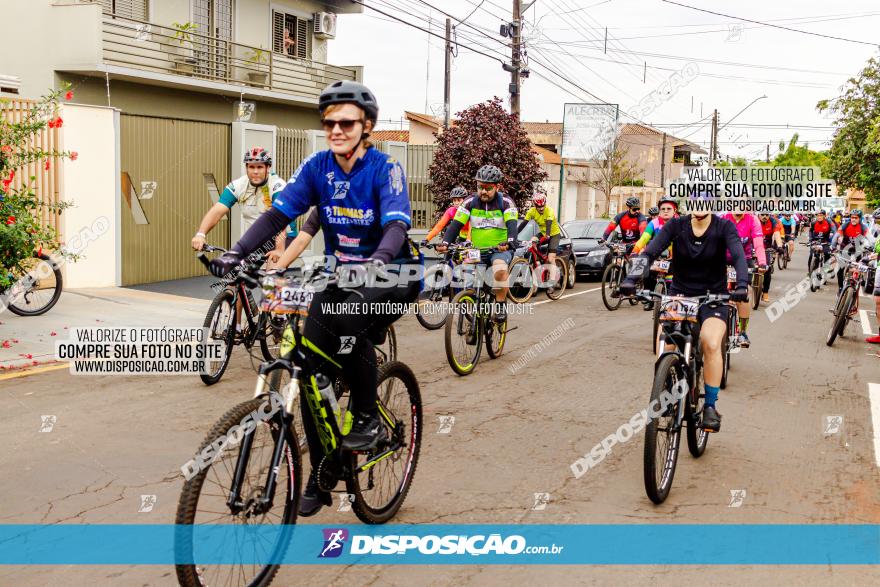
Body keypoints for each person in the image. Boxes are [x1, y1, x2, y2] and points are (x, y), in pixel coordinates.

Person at [207, 80, 422, 518]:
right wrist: (236, 252)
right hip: (345, 274)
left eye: (346, 122)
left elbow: (397, 226)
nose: (336, 129)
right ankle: (325, 469)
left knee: (347, 319)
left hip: (395, 271)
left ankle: (366, 417)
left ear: (367, 126)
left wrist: (376, 260)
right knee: (307, 367)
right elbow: (278, 215)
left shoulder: (386, 169)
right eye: (329, 123)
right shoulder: (318, 167)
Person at [619, 198, 750, 432]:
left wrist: (741, 284)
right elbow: (649, 252)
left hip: (713, 297)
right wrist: (631, 278)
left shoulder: (724, 227)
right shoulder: (675, 226)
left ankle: (710, 406)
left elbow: (739, 256)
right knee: (665, 346)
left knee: (710, 343)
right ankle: (666, 385)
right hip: (679, 294)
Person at [436, 165, 517, 323]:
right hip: (477, 250)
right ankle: (472, 303)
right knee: (466, 273)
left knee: (499, 267)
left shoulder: (506, 202)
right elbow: (456, 225)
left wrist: (509, 242)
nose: (483, 191)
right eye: (480, 187)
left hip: (499, 249)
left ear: (497, 187)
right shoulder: (469, 202)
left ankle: (500, 305)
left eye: (488, 188)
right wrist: (445, 242)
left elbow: (512, 226)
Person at [192, 147, 295, 259]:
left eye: (260, 167)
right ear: (246, 168)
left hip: (282, 236)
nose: (255, 172)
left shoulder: (277, 185)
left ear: (268, 167)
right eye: (251, 167)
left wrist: (279, 250)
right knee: (235, 270)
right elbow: (218, 210)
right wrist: (200, 234)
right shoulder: (239, 185)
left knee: (272, 271)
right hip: (257, 237)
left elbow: (280, 217)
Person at [720, 211, 766, 348]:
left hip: (744, 260)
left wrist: (762, 262)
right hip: (721, 258)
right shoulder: (722, 218)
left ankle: (742, 332)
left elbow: (758, 244)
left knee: (745, 292)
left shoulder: (753, 220)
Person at [633, 196, 679, 311]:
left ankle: (671, 302)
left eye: (669, 209)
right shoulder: (653, 223)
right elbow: (644, 238)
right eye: (663, 209)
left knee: (672, 279)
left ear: (675, 210)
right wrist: (635, 251)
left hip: (676, 256)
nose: (665, 211)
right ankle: (649, 300)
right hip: (657, 254)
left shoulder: (680, 223)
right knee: (647, 273)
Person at [524, 190, 563, 289]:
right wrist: (514, 234)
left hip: (554, 234)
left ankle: (553, 281)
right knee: (533, 241)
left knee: (551, 258)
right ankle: (538, 262)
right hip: (543, 233)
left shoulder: (549, 210)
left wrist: (548, 235)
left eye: (543, 206)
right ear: (535, 205)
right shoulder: (531, 211)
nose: (541, 209)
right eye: (539, 207)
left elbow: (549, 223)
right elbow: (524, 223)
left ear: (545, 204)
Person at [833, 209, 870, 291]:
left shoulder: (863, 227)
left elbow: (869, 239)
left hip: (858, 250)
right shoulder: (845, 225)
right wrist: (833, 246)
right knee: (840, 271)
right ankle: (840, 288)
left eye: (856, 218)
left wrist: (870, 247)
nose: (853, 219)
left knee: (860, 268)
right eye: (852, 217)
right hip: (845, 249)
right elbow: (836, 237)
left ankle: (857, 284)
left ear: (860, 218)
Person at [758, 213, 784, 302]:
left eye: (766, 215)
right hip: (753, 246)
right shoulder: (754, 220)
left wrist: (780, 246)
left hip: (767, 247)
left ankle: (765, 292)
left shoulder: (773, 221)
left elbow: (777, 233)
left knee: (767, 269)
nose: (764, 217)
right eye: (762, 214)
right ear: (758, 215)